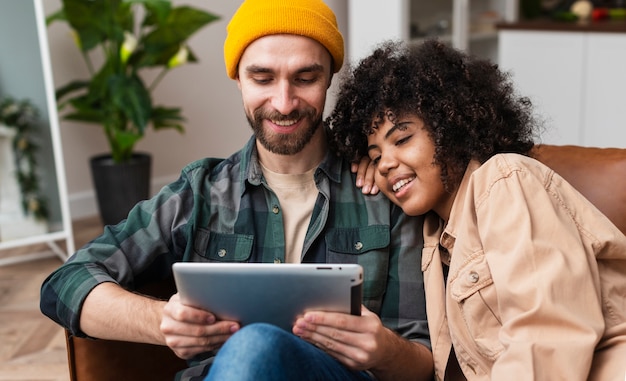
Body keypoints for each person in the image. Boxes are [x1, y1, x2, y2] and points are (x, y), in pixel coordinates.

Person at [40, 1, 434, 380]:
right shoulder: (201, 193)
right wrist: (162, 323)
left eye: (305, 78)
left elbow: (425, 363)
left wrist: (384, 350)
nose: (283, 103)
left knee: (257, 344)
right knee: (251, 349)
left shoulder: (384, 190)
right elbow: (66, 281)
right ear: (238, 79)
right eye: (262, 78)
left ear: (329, 77)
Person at [327, 39, 626, 380]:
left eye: (402, 139)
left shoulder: (504, 181)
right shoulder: (432, 239)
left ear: (449, 128)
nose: (384, 165)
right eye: (376, 156)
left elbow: (545, 336)